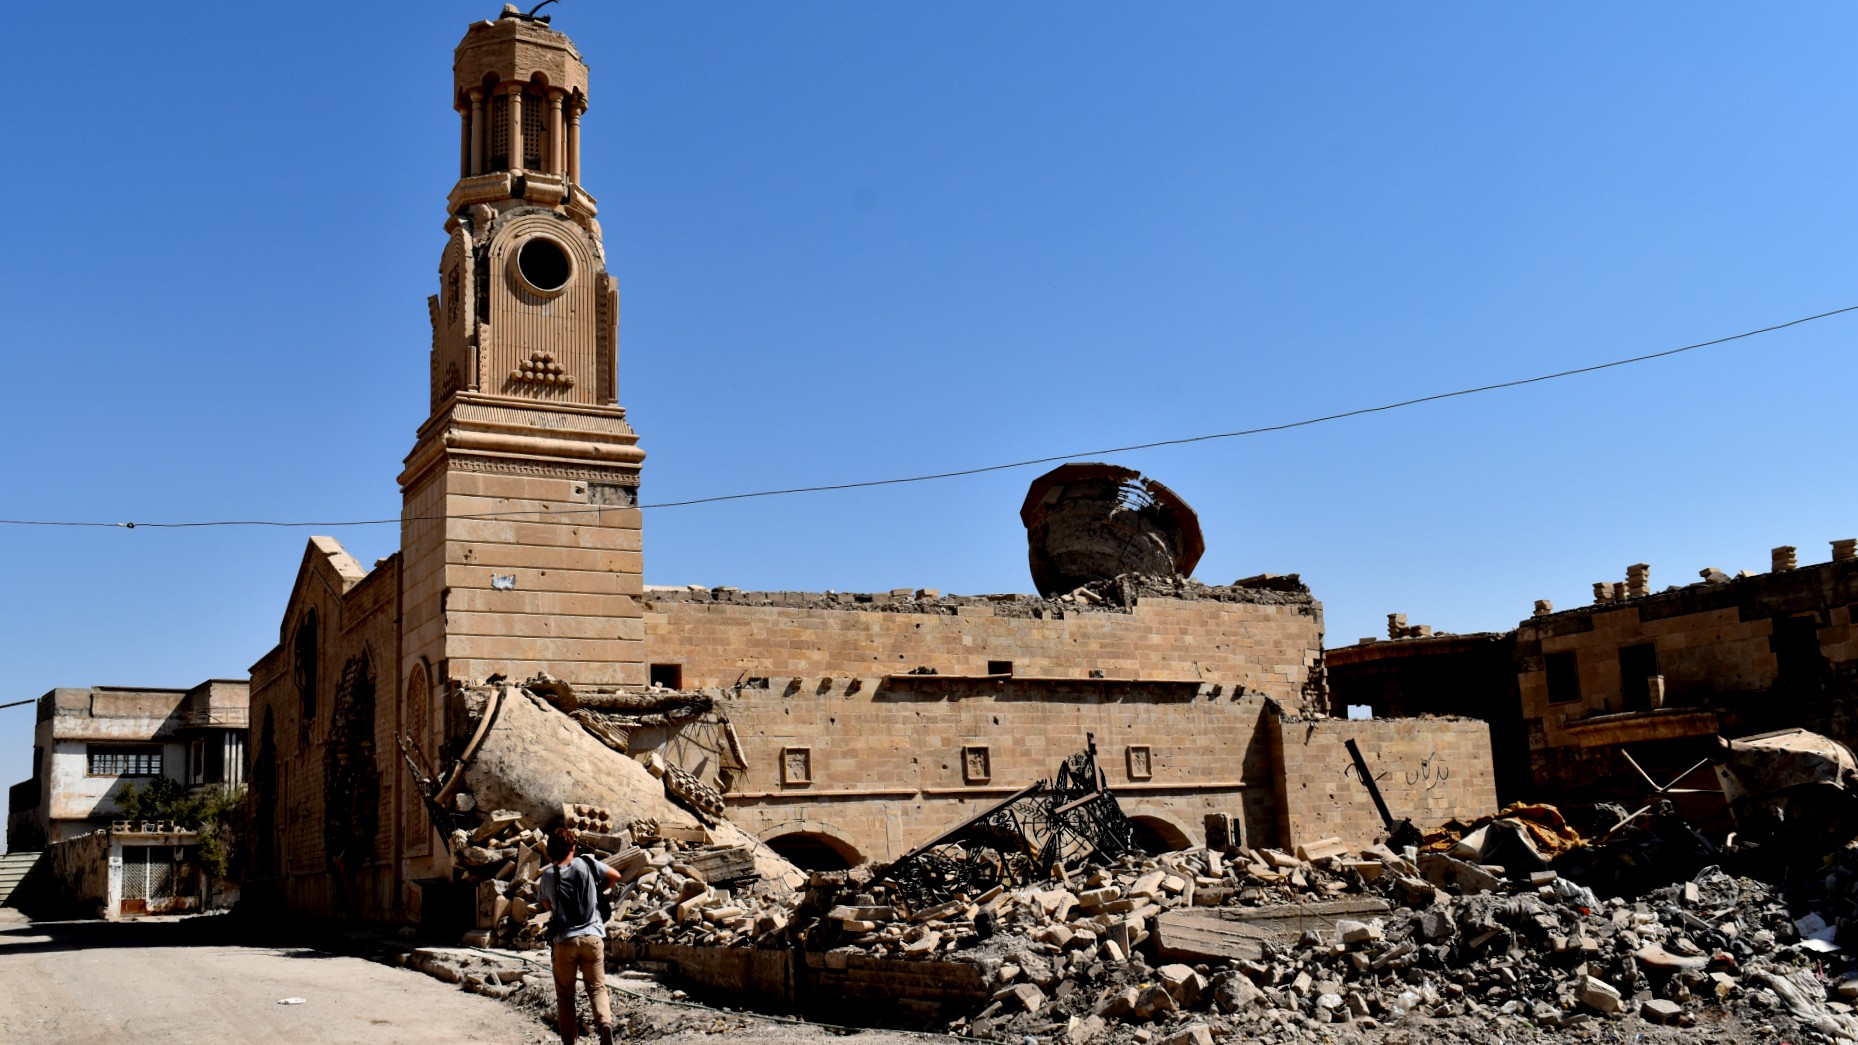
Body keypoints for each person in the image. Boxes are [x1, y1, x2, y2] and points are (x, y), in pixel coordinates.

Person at [537, 826, 621, 1045]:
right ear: (572, 846)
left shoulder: (547, 876)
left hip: (564, 941)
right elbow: (615, 875)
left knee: (565, 996)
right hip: (592, 937)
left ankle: (570, 1042)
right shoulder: (587, 863)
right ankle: (604, 1025)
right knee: (596, 988)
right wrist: (597, 891)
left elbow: (547, 905)